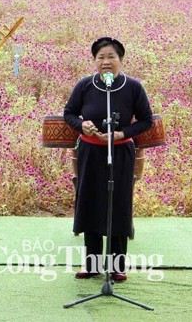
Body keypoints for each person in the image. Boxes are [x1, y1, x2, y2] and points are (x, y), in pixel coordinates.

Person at [64, 37, 152, 282]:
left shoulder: (133, 87)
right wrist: (83, 125)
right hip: (90, 153)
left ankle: (116, 266)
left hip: (120, 153)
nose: (106, 62)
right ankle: (92, 264)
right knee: (90, 203)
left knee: (118, 205)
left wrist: (122, 133)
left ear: (120, 60)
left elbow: (146, 120)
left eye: (111, 57)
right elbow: (68, 113)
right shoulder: (85, 85)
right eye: (100, 57)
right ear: (94, 61)